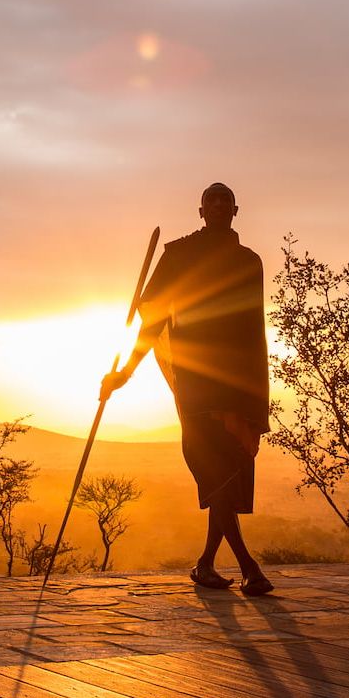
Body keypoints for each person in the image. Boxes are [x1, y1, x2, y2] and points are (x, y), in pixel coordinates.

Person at [100, 182, 274, 596]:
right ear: (200, 211)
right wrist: (126, 372)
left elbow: (255, 332)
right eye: (210, 200)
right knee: (213, 474)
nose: (217, 205)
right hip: (197, 384)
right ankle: (249, 567)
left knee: (226, 480)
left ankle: (205, 565)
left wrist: (256, 395)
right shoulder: (178, 255)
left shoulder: (250, 262)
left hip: (236, 384)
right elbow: (155, 320)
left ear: (236, 210)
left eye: (224, 200)